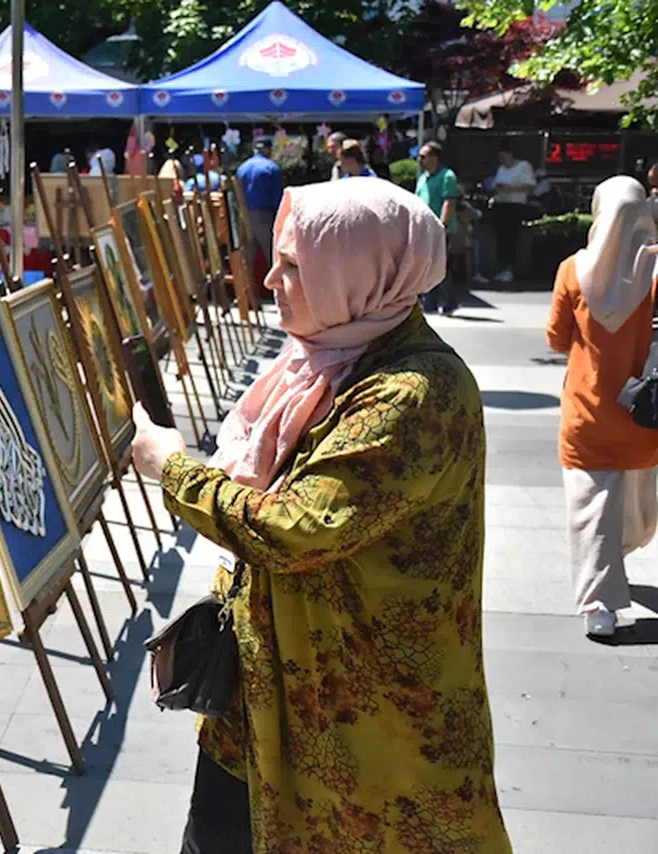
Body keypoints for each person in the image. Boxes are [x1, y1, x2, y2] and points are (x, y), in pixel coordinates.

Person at [130, 179, 512, 854]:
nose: (268, 279)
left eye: (294, 266)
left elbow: (293, 529)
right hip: (266, 695)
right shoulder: (325, 360)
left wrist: (174, 470)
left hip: (368, 719)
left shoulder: (412, 394)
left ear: (357, 275)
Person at [547, 176, 658, 638]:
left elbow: (557, 339)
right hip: (645, 417)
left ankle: (599, 607)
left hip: (587, 412)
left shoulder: (573, 270)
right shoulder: (656, 271)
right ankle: (619, 558)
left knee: (591, 510)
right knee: (637, 508)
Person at [415, 142, 461, 315]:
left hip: (440, 228)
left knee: (441, 266)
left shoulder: (447, 176)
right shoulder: (423, 178)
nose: (419, 160)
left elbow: (448, 201)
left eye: (423, 156)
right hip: (424, 228)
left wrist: (442, 225)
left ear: (435, 157)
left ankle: (450, 302)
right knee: (427, 266)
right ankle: (430, 303)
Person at [488, 141, 536, 283]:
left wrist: (511, 187)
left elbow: (530, 186)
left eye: (504, 156)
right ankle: (502, 267)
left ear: (510, 155)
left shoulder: (524, 166)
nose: (502, 160)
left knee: (511, 237)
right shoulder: (501, 169)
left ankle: (510, 269)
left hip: (516, 205)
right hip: (501, 205)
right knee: (501, 238)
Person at [235, 139, 284, 266]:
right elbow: (278, 197)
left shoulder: (241, 168)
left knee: (248, 254)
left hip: (244, 215)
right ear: (268, 150)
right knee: (272, 253)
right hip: (265, 216)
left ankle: (248, 278)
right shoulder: (271, 167)